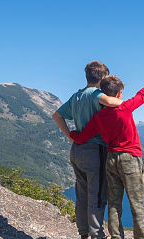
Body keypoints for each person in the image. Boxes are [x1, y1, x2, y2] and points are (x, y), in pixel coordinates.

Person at [69, 75, 144, 239]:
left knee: (114, 203)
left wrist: (72, 134)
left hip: (111, 159)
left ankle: (116, 236)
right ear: (119, 94)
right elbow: (141, 96)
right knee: (138, 202)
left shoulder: (98, 117)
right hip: (130, 159)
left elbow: (82, 137)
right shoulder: (125, 107)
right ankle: (140, 236)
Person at [52, 61, 123, 239]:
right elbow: (114, 102)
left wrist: (69, 136)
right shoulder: (96, 94)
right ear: (103, 77)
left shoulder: (77, 96)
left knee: (82, 194)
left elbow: (56, 115)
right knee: (97, 196)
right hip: (95, 151)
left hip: (77, 150)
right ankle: (97, 235)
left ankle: (83, 232)